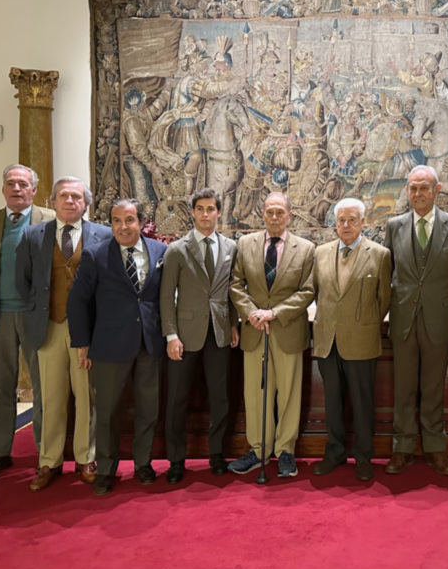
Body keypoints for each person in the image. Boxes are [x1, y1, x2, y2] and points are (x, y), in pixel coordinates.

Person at [16, 176, 112, 491]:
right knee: (51, 397)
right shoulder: (33, 235)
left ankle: (86, 458)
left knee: (86, 396)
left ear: (86, 203)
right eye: (63, 196)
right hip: (49, 328)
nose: (69, 201)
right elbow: (23, 281)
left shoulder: (104, 235)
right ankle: (49, 462)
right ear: (53, 200)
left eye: (76, 196)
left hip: (87, 330)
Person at [68, 198, 167, 495]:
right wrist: (82, 343)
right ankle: (107, 469)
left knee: (148, 409)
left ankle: (143, 464)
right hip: (109, 345)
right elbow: (78, 302)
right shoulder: (95, 255)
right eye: (116, 220)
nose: (123, 226)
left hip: (150, 342)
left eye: (129, 220)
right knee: (109, 411)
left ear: (140, 221)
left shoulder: (161, 251)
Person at [0, 164, 54, 482]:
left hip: (37, 316)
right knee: (2, 389)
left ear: (34, 189)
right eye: (10, 183)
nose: (16, 189)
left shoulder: (49, 219)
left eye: (23, 184)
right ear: (3, 189)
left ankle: (45, 454)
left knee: (43, 387)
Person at [384, 165, 448, 476]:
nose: (417, 193)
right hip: (404, 318)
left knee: (433, 389)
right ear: (407, 191)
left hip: (439, 318)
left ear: (437, 189)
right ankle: (402, 448)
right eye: (413, 188)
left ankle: (436, 449)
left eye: (424, 188)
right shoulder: (394, 226)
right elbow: (389, 272)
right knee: (404, 389)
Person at [229, 192, 315, 478]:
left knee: (289, 392)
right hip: (255, 330)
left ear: (289, 215)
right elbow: (236, 284)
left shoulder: (305, 249)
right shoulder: (245, 244)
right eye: (269, 212)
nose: (275, 217)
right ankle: (258, 449)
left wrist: (275, 312)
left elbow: (308, 290)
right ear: (262, 215)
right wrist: (252, 312)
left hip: (287, 329)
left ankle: (285, 450)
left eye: (280, 212)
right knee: (256, 392)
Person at [160, 188, 239, 484]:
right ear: (193, 212)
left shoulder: (231, 247)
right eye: (201, 209)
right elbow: (166, 297)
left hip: (218, 334)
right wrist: (170, 335)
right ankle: (176, 460)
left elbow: (231, 291)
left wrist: (232, 324)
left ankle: (217, 454)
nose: (206, 214)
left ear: (219, 212)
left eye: (211, 209)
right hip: (184, 334)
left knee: (220, 398)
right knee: (177, 399)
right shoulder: (177, 250)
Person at [312, 198, 391, 481]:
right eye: (341, 220)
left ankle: (363, 456)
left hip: (361, 339)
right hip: (327, 340)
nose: (346, 225)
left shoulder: (380, 254)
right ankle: (334, 452)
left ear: (363, 223)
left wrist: (361, 323)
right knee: (332, 402)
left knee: (362, 403)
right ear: (335, 224)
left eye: (352, 220)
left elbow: (383, 301)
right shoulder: (320, 253)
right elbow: (314, 292)